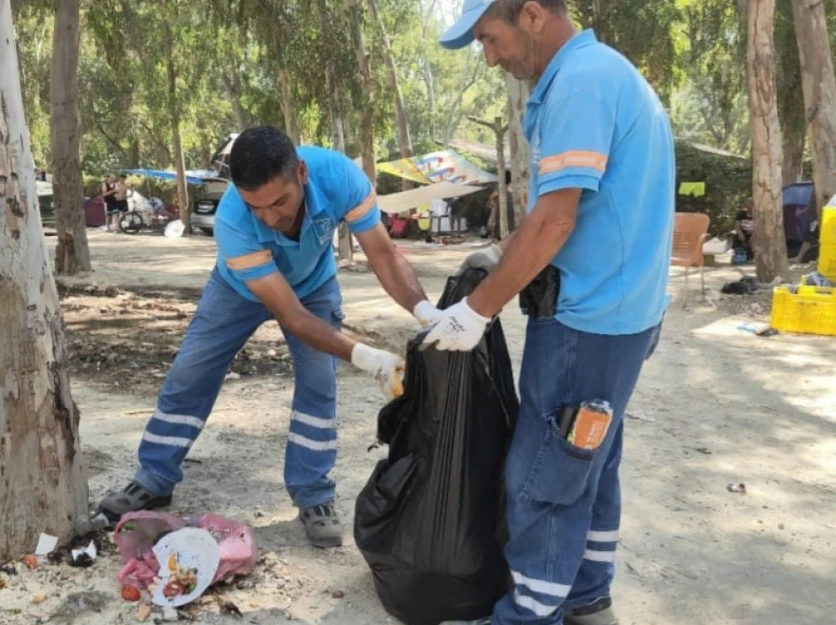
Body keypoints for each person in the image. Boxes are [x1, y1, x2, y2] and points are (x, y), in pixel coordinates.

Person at [429, 2, 674, 624]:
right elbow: (578, 210)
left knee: (543, 475)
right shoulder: (605, 71)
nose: (489, 57)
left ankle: (528, 615)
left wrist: (477, 311)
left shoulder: (580, 83)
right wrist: (501, 254)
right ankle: (587, 592)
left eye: (490, 38)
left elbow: (558, 219)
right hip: (627, 315)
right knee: (590, 461)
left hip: (587, 320)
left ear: (532, 14)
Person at [97, 126, 440, 547]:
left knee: (318, 385)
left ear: (301, 172)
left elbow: (384, 256)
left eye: (280, 201)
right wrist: (368, 357)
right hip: (238, 289)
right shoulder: (232, 222)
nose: (271, 218)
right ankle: (154, 477)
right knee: (190, 374)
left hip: (314, 285)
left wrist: (427, 314)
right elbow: (292, 317)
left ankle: (313, 493)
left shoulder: (339, 177)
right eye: (256, 207)